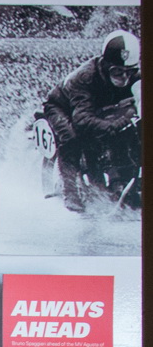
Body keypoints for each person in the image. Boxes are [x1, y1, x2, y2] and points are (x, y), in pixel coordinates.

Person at [41, 30, 141, 214]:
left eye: (130, 72)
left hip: (95, 108)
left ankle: (118, 181)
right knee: (73, 138)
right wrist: (112, 125)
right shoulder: (85, 78)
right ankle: (70, 191)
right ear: (106, 65)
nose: (124, 78)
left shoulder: (135, 76)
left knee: (124, 131)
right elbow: (82, 120)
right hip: (61, 107)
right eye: (117, 72)